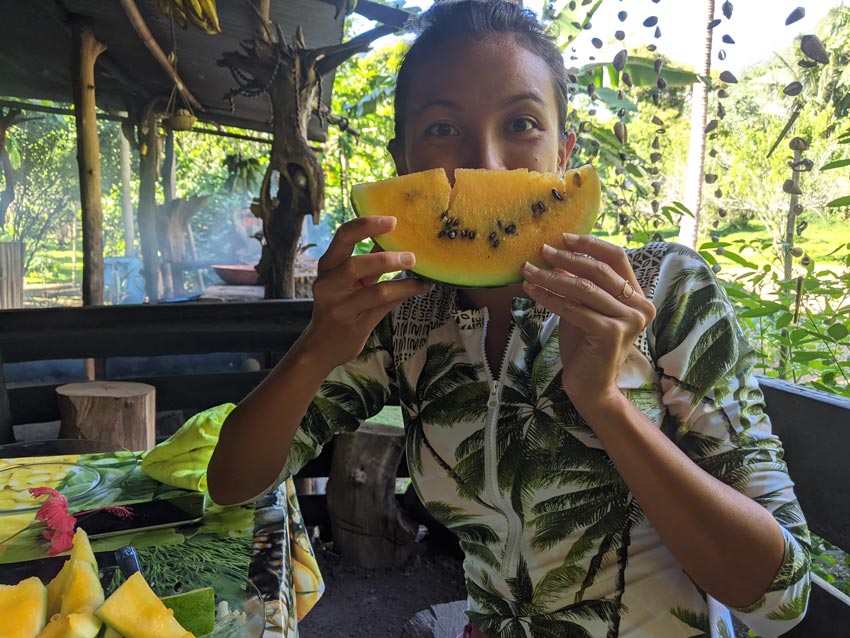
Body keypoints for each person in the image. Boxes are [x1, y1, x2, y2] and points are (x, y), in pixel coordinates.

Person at [207, 2, 811, 636]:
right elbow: (233, 483)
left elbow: (776, 602)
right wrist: (315, 348)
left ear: (563, 153)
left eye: (521, 122)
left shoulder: (665, 289)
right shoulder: (404, 317)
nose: (486, 165)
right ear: (403, 161)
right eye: (443, 129)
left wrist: (606, 403)